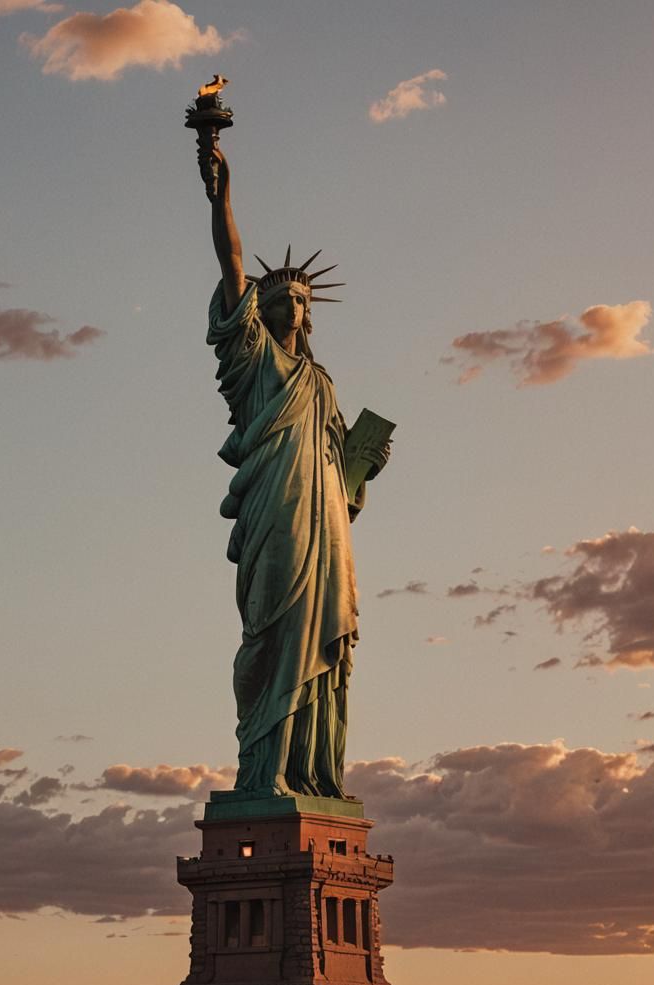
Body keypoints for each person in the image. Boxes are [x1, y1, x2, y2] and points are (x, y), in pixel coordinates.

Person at [200, 140, 390, 799]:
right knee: (273, 630)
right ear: (260, 307)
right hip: (274, 516)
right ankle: (263, 770)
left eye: (305, 299)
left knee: (320, 638)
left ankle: (308, 774)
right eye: (283, 296)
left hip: (327, 526)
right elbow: (229, 262)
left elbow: (341, 475)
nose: (297, 306)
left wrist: (365, 470)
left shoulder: (322, 384)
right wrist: (221, 196)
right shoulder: (253, 365)